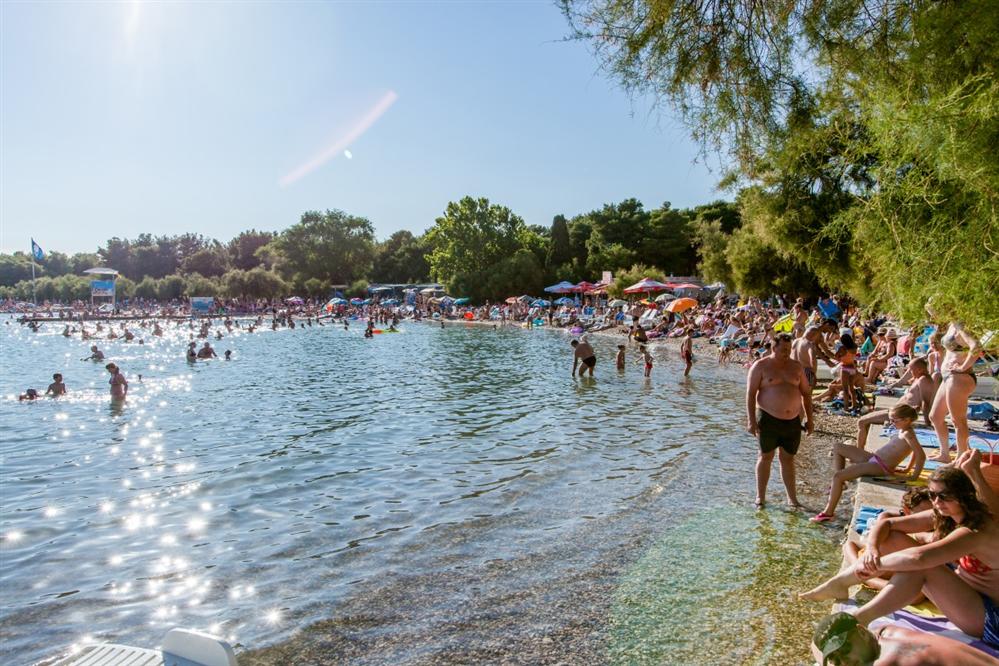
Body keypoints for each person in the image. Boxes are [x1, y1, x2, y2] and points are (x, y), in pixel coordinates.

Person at [799, 464, 999, 651]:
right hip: (969, 597)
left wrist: (864, 570)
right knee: (893, 541)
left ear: (963, 496)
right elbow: (887, 523)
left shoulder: (975, 529)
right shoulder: (946, 514)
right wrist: (871, 550)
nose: (937, 502)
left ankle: (855, 612)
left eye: (944, 496)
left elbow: (920, 558)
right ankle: (857, 613)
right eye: (933, 495)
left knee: (921, 566)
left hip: (992, 620)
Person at [812, 404, 925, 522]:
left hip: (880, 466)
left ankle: (828, 513)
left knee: (838, 476)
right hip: (874, 458)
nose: (891, 423)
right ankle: (842, 484)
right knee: (838, 447)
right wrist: (907, 468)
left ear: (907, 420)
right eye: (890, 419)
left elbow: (920, 455)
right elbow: (913, 452)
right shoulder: (902, 430)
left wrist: (913, 476)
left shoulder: (908, 434)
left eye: (894, 420)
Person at [745, 333, 814, 509]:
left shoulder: (796, 367)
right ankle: (760, 497)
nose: (787, 353)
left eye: (789, 349)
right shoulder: (760, 366)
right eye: (783, 349)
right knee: (765, 456)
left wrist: (810, 419)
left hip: (792, 420)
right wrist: (751, 420)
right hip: (768, 417)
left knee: (788, 458)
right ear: (773, 347)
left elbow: (806, 393)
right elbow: (751, 394)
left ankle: (792, 499)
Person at [855, 357, 935, 450]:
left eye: (911, 370)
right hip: (898, 411)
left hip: (901, 414)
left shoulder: (924, 380)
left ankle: (859, 452)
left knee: (861, 422)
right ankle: (860, 450)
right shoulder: (919, 378)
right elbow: (904, 382)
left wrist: (927, 422)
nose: (910, 372)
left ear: (920, 369)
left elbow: (925, 401)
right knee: (864, 421)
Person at [929, 322, 982, 463]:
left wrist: (963, 367)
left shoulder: (962, 326)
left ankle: (961, 457)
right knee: (935, 416)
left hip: (959, 377)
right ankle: (944, 453)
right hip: (949, 376)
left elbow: (976, 347)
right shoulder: (952, 324)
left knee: (958, 421)